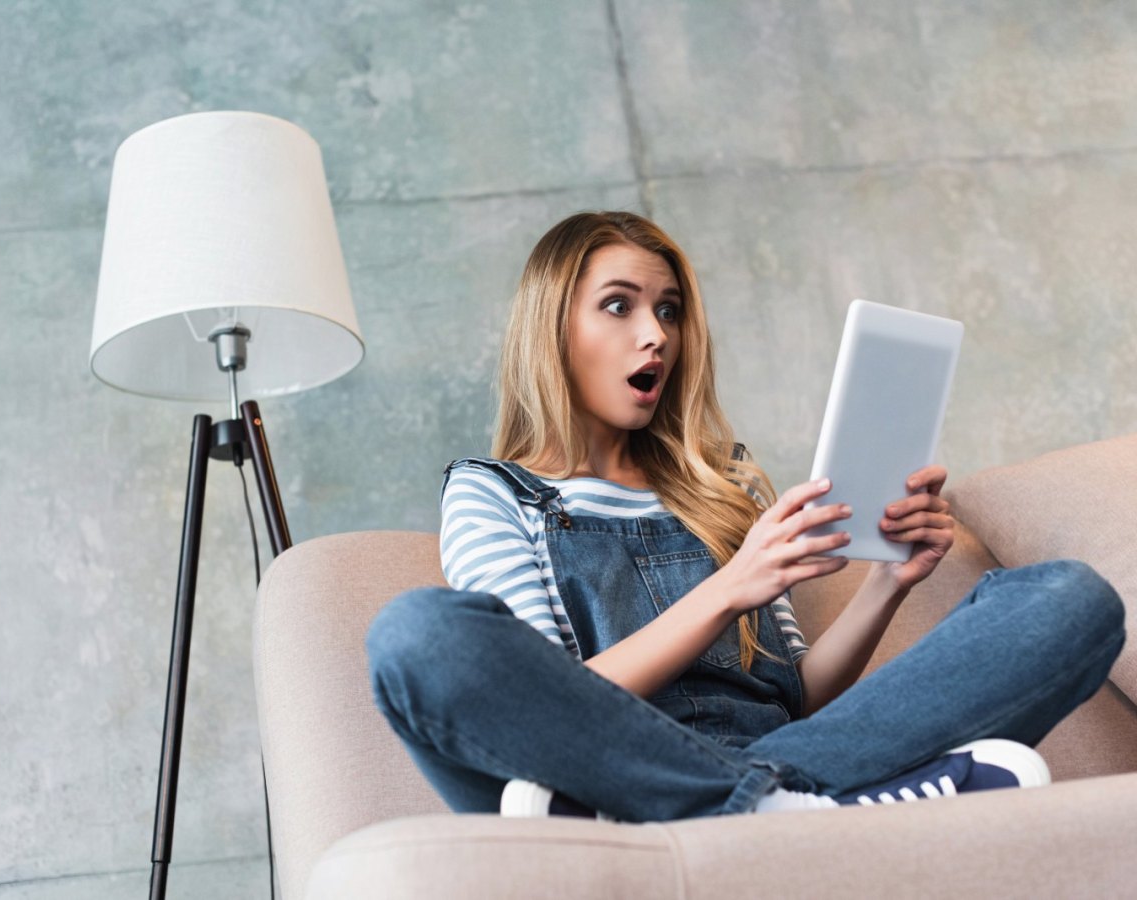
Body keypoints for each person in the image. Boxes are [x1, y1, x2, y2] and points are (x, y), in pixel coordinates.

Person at [366, 210, 1125, 821]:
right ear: (551, 329)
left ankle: (765, 807)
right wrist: (731, 586)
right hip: (598, 769)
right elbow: (552, 702)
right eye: (619, 305)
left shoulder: (724, 483)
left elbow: (797, 701)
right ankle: (805, 808)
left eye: (669, 310)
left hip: (784, 753)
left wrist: (888, 584)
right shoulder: (495, 492)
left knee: (1069, 601)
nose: (656, 333)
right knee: (417, 635)